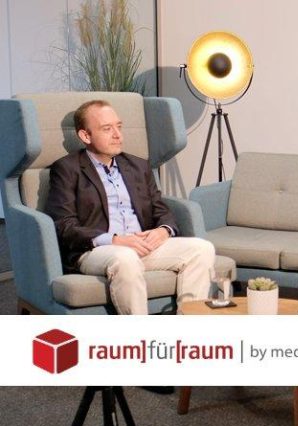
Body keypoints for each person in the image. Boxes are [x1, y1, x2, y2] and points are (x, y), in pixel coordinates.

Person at [46, 100, 216, 315]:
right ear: (85, 136)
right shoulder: (67, 169)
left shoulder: (138, 165)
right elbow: (64, 225)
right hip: (97, 250)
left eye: (119, 126)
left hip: (142, 245)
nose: (118, 135)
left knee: (202, 249)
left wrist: (163, 231)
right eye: (107, 129)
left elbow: (160, 209)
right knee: (125, 258)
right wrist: (115, 240)